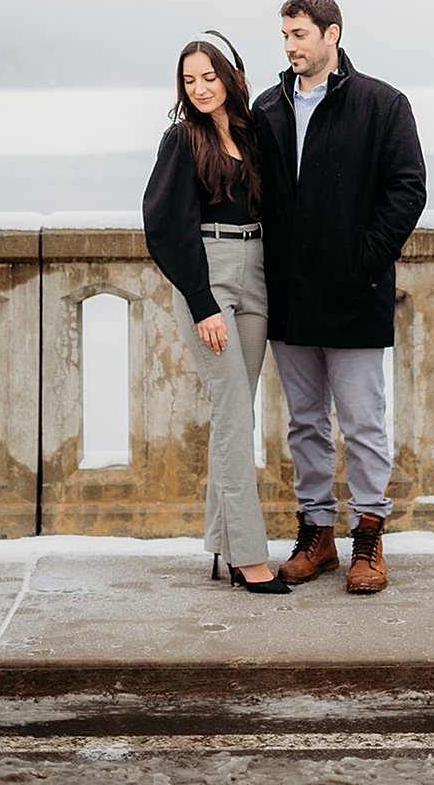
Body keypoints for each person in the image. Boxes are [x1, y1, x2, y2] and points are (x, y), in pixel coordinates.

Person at [250, 0, 427, 596]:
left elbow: (407, 191)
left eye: (300, 34)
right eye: (285, 35)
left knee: (362, 422)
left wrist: (363, 261)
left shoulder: (382, 104)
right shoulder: (268, 108)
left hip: (356, 294)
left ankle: (369, 537)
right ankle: (317, 534)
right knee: (304, 422)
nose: (292, 45)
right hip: (289, 297)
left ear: (333, 34)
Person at [142, 30, 291, 595]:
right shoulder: (181, 140)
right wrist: (202, 302)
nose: (200, 88)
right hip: (209, 272)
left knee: (237, 412)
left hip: (257, 270)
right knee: (233, 417)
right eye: (189, 80)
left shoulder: (253, 134)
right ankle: (250, 558)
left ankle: (222, 545)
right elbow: (162, 226)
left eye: (209, 76)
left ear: (229, 77)